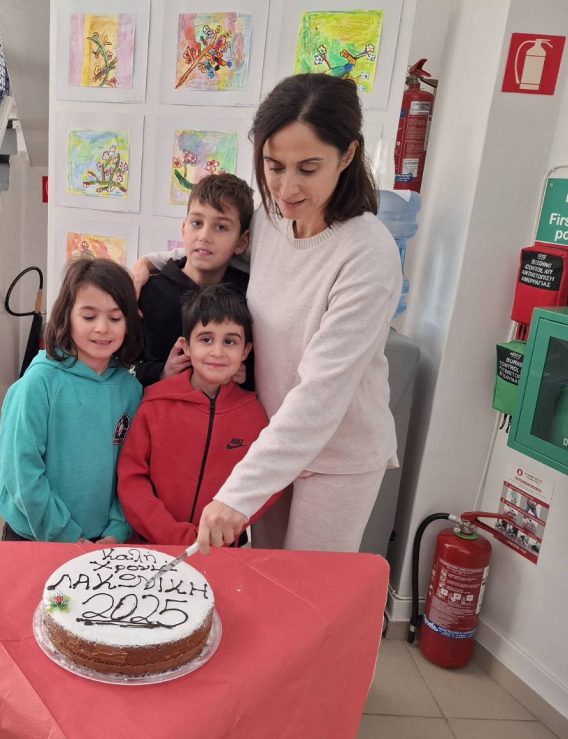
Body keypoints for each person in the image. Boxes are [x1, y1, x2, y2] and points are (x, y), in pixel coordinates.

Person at [133, 73, 401, 554]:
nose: (286, 187)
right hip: (269, 438)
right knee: (267, 575)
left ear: (347, 155)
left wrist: (237, 495)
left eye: (308, 168)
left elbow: (322, 393)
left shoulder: (367, 253)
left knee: (306, 589)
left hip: (336, 454)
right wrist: (145, 266)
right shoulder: (273, 220)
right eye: (274, 166)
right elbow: (209, 251)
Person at [0, 257, 144, 543]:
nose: (102, 328)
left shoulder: (130, 390)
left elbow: (130, 470)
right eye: (88, 317)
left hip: (102, 540)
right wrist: (67, 536)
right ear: (67, 317)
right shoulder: (38, 384)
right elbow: (22, 474)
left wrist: (117, 530)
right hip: (34, 536)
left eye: (115, 318)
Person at [118, 285, 279, 545]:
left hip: (220, 549)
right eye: (206, 339)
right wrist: (174, 535)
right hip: (150, 548)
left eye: (229, 341)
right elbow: (131, 479)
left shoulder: (253, 416)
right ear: (186, 347)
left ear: (245, 351)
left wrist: (225, 530)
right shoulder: (154, 404)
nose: (217, 352)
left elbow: (267, 481)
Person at [135, 172, 252, 388]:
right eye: (197, 223)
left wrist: (245, 378)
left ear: (242, 242)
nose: (204, 236)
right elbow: (127, 367)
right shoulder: (149, 292)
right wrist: (161, 373)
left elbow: (255, 362)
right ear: (183, 228)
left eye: (221, 227)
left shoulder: (249, 295)